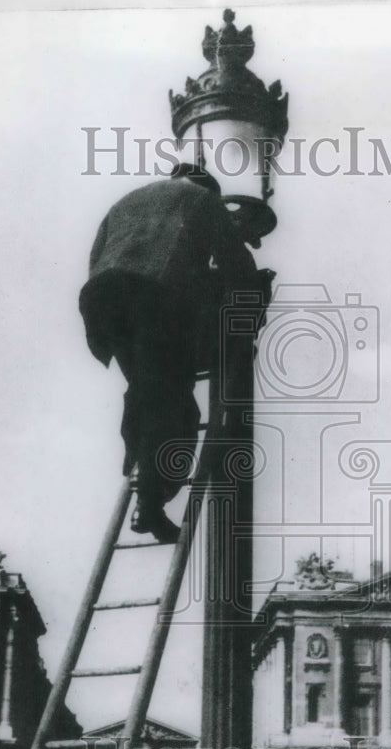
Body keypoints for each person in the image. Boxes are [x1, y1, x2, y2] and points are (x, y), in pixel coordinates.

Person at [79, 163, 264, 543]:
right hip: (155, 298)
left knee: (146, 392)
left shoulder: (127, 200)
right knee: (176, 404)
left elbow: (98, 257)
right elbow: (236, 264)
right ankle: (151, 499)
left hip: (103, 301)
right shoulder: (201, 200)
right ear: (208, 189)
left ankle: (139, 461)